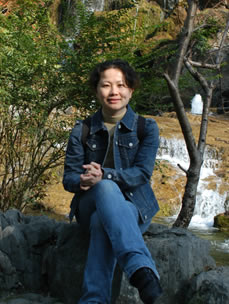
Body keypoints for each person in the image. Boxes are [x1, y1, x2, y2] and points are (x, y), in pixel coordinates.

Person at [63, 59, 162, 304]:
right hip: (89, 204)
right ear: (97, 90)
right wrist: (83, 180)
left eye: (121, 85)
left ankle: (93, 300)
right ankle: (140, 269)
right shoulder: (82, 129)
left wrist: (104, 175)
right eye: (106, 85)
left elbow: (141, 174)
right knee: (103, 189)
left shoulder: (146, 127)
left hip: (135, 207)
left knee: (102, 220)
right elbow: (69, 177)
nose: (114, 91)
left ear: (131, 90)